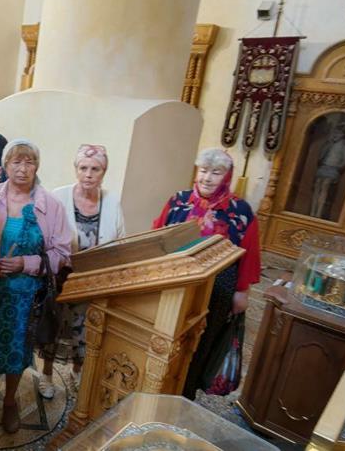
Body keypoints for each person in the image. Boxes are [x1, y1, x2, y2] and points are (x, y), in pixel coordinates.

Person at [0, 140, 72, 433]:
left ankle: (10, 401)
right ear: (5, 165)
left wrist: (26, 263)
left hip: (25, 295)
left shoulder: (51, 205)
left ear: (37, 166)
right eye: (16, 162)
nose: (22, 169)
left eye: (29, 162)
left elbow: (62, 253)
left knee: (16, 347)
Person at [152, 148, 261, 399]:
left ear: (227, 176)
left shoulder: (240, 211)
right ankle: (157, 384)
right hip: (175, 281)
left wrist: (242, 291)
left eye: (216, 172)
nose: (207, 178)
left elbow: (249, 253)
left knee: (200, 341)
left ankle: (185, 393)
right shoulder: (178, 201)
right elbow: (157, 235)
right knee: (167, 336)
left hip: (218, 288)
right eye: (203, 170)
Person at [37, 144, 125, 399]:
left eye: (95, 169)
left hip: (93, 280)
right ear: (76, 169)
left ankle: (77, 371)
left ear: (104, 172)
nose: (88, 174)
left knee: (84, 330)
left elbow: (120, 241)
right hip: (62, 277)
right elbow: (45, 236)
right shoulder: (59, 196)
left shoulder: (112, 201)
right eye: (83, 168)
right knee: (54, 326)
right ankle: (46, 375)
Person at [310, 123, 345, 219]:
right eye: (335, 132)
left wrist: (337, 167)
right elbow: (321, 156)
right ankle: (312, 212)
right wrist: (328, 145)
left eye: (339, 133)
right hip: (323, 168)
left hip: (333, 170)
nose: (336, 135)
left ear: (343, 135)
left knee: (325, 189)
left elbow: (344, 162)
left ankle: (318, 214)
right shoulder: (329, 144)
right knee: (317, 188)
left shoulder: (344, 148)